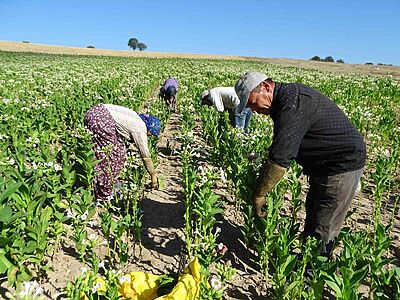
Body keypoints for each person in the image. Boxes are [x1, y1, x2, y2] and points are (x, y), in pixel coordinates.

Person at [235, 71, 366, 257]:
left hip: (341, 164)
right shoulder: (285, 99)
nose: (254, 110)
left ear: (265, 87)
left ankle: (314, 272)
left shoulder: (293, 103)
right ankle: (306, 261)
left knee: (324, 222)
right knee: (313, 211)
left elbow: (281, 157)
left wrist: (259, 194)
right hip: (324, 165)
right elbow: (285, 141)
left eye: (253, 103)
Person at [84, 103, 161, 200]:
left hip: (93, 113)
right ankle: (107, 193)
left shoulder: (136, 118)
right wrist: (153, 175)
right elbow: (145, 156)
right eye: (151, 134)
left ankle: (100, 186)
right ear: (149, 129)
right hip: (102, 119)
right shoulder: (140, 128)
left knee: (101, 153)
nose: (149, 136)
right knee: (114, 157)